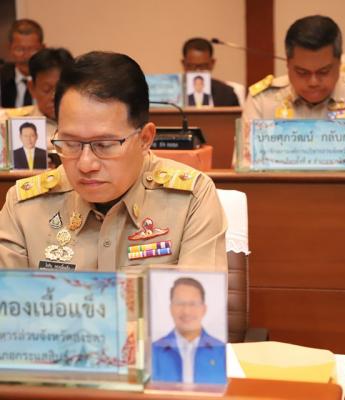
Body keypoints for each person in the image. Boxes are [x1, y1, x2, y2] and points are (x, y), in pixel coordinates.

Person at [0, 51, 227, 270]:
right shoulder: (24, 206)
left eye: (104, 145)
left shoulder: (190, 200)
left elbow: (197, 295)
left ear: (145, 139)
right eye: (71, 143)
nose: (85, 164)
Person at [242, 15, 345, 127]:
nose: (313, 82)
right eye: (302, 72)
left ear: (339, 62)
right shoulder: (262, 101)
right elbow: (245, 160)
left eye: (323, 71)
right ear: (288, 64)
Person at [152, 277, 226, 384]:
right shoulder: (154, 351)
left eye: (193, 304)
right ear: (171, 308)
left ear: (204, 309)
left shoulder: (221, 351)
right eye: (180, 303)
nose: (186, 311)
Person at [27, 48, 74, 148]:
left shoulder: (85, 124)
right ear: (32, 88)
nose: (54, 96)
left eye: (60, 89)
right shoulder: (22, 127)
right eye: (46, 89)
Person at [182, 38, 240, 106]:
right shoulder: (174, 93)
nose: (198, 71)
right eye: (192, 66)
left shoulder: (226, 93)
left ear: (212, 63)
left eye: (203, 66)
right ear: (184, 64)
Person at [0, 19, 45, 108]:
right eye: (19, 49)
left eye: (32, 50)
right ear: (10, 49)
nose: (26, 56)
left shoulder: (51, 79)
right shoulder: (2, 76)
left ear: (43, 48)